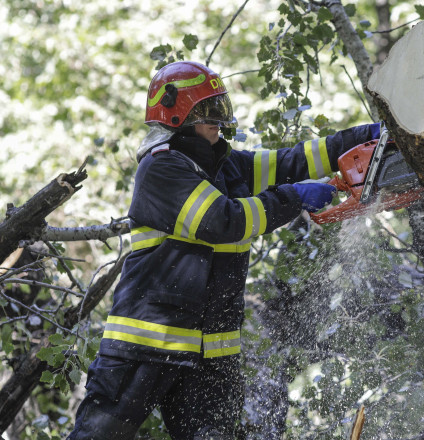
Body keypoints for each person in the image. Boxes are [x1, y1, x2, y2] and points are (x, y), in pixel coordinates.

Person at [68, 61, 380, 439]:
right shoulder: (162, 170)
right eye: (207, 113)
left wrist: (368, 136)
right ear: (177, 115)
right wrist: (293, 196)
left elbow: (291, 162)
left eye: (218, 110)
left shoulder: (226, 165)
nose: (217, 121)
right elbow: (223, 221)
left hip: (211, 356)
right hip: (145, 347)